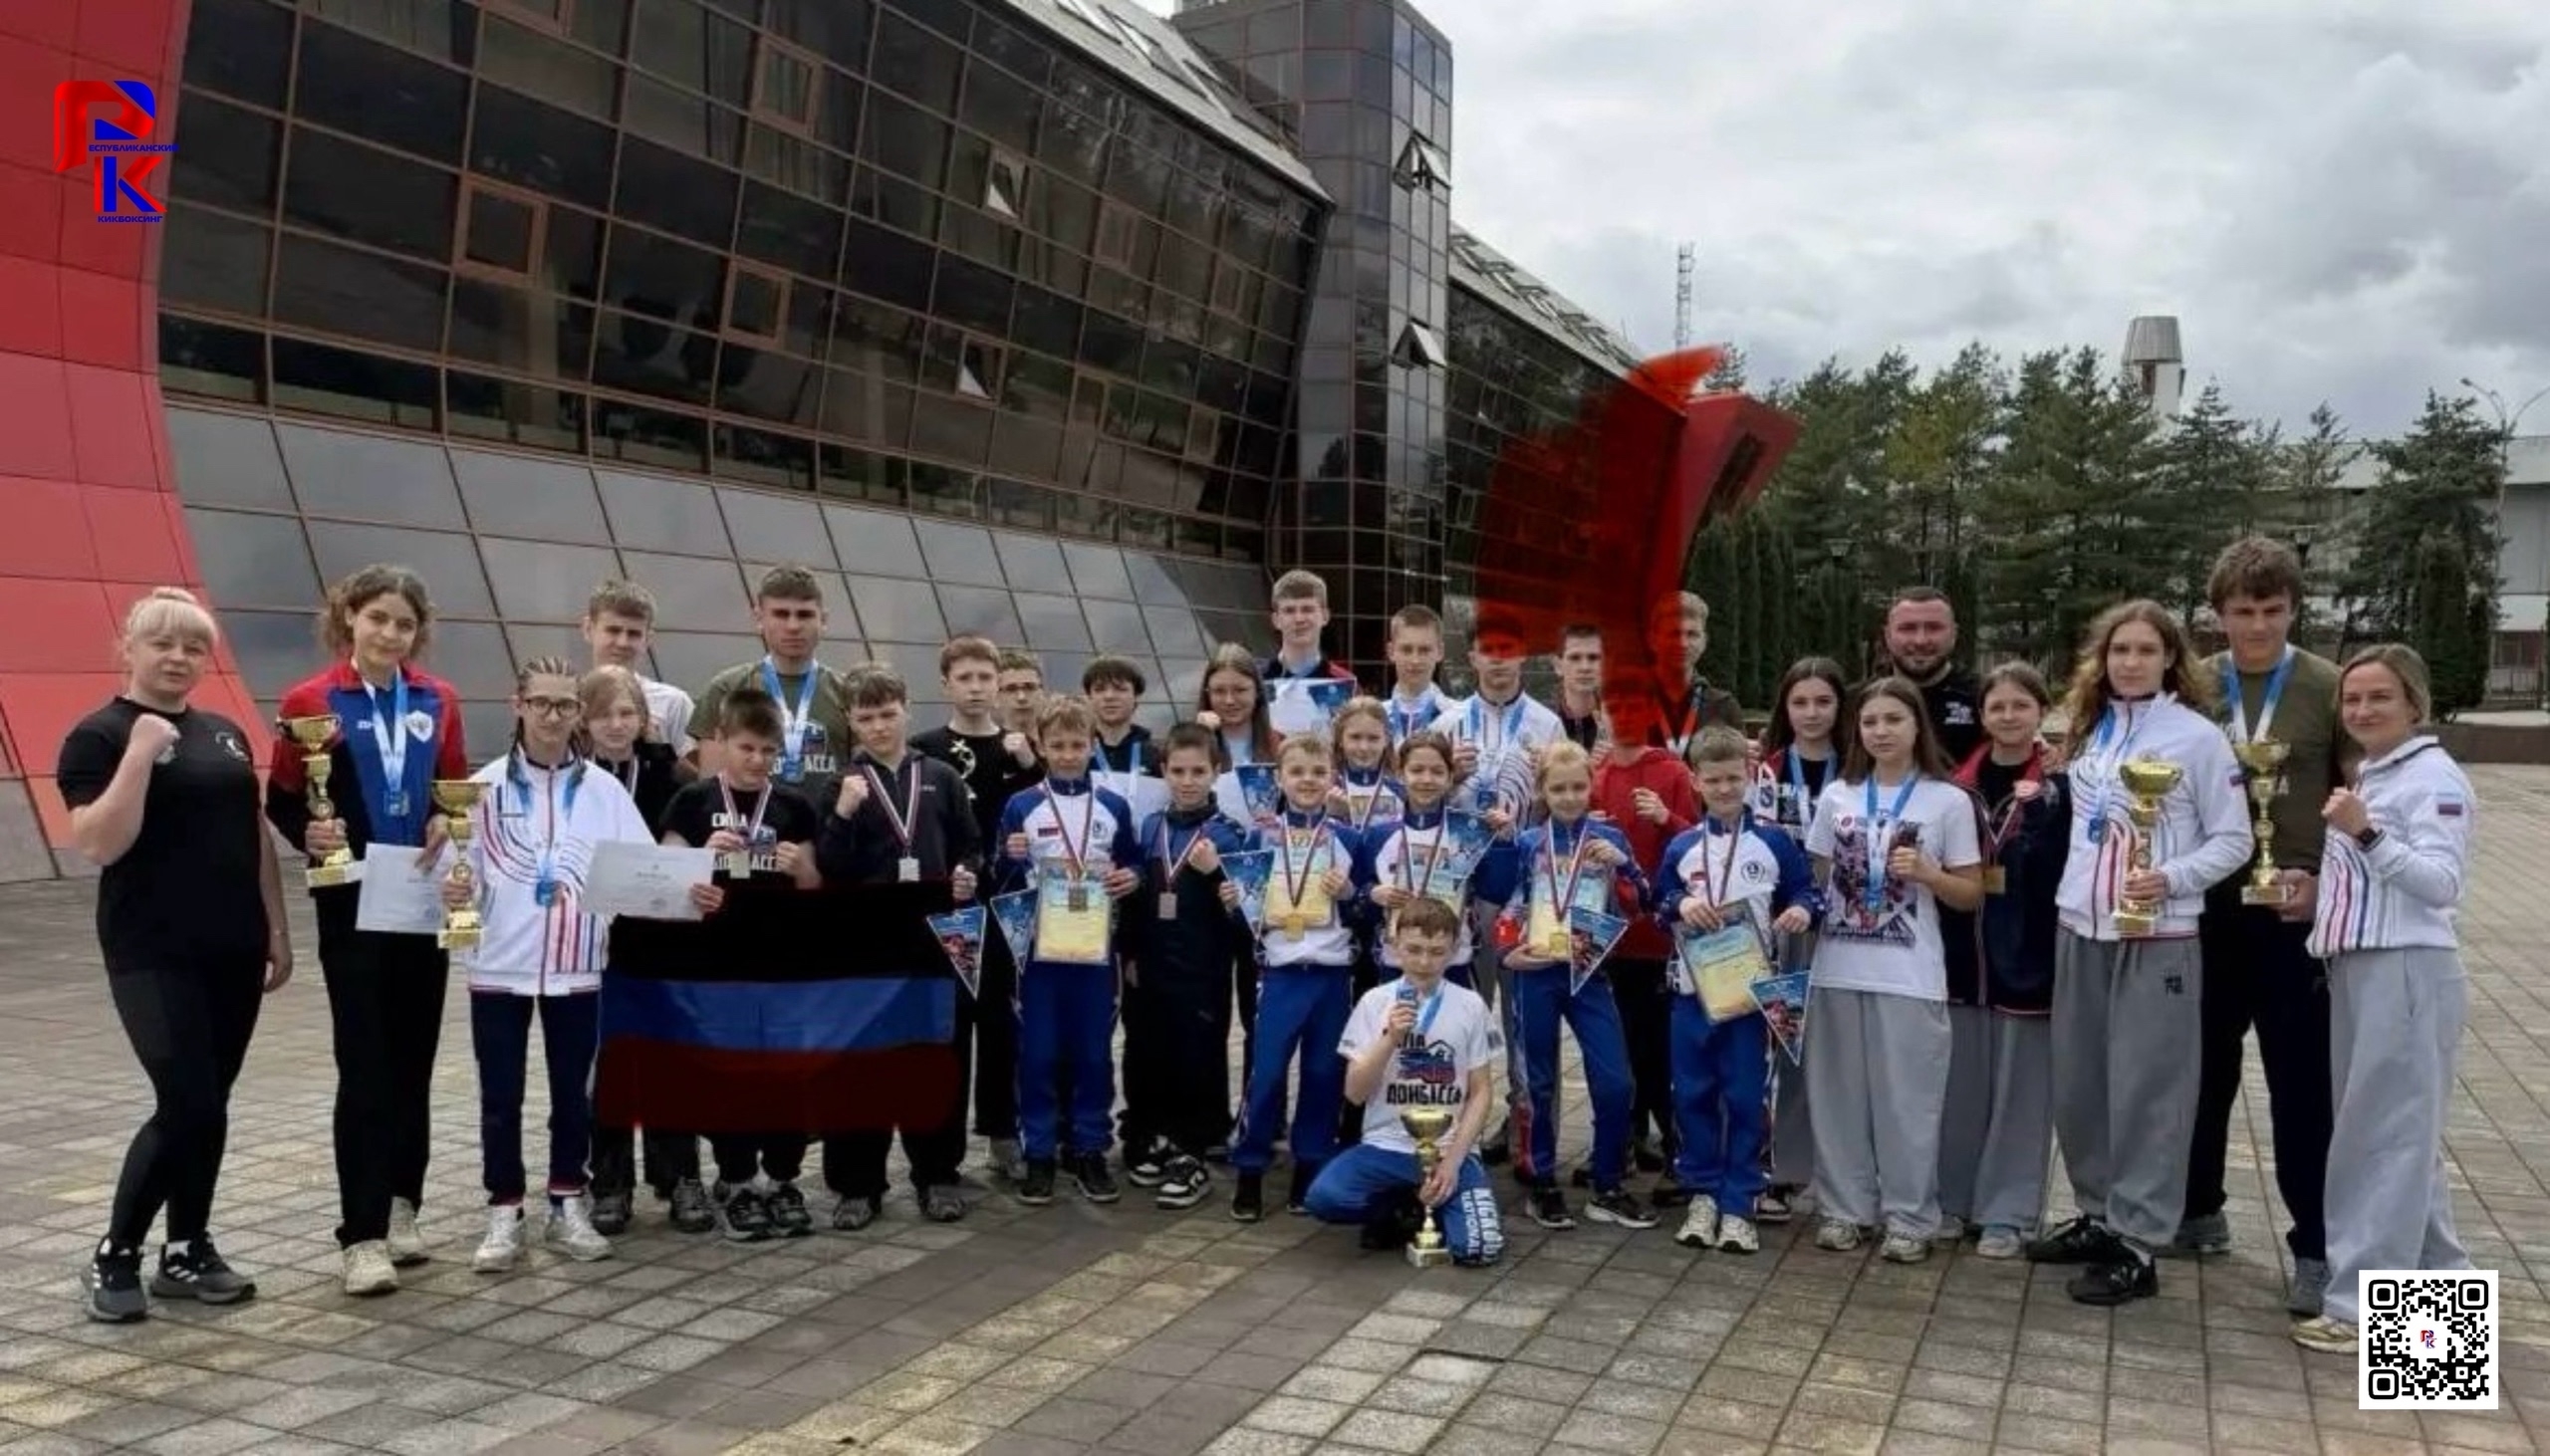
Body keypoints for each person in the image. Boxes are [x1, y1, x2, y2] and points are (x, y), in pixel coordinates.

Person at [62, 589, 291, 1322]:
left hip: (234, 945)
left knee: (210, 1104)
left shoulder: (225, 734)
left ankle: (187, 1248)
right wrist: (139, 753)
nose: (178, 658)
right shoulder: (98, 735)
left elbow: (253, 835)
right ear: (128, 648)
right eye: (162, 643)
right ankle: (115, 1253)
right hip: (152, 951)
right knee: (186, 1100)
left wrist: (277, 928)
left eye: (194, 647)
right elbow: (99, 842)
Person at [2029, 601, 2251, 1306]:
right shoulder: (2092, 727)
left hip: (2158, 936)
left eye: (2146, 651)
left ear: (2171, 660)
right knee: (2082, 1087)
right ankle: (2100, 1215)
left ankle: (2139, 1243)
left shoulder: (2197, 738)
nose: (2130, 662)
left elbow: (2236, 839)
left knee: (2148, 1092)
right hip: (2082, 927)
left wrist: (2173, 878)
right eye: (2119, 650)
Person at [268, 564, 468, 1296]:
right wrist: (310, 833)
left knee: (414, 1059)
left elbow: (450, 791)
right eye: (378, 617)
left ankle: (403, 1204)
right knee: (364, 1064)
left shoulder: (438, 699)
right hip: (350, 902)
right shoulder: (311, 701)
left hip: (417, 898)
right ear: (349, 616)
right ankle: (360, 1236)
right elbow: (284, 798)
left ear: (419, 633)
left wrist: (445, 820)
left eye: (404, 624)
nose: (390, 633)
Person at [2292, 646, 2477, 1355]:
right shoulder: (2376, 772)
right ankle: (2439, 1342)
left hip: (2405, 970)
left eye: (2380, 697)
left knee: (2383, 1144)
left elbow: (2441, 883)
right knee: (2404, 1146)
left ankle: (2358, 1310)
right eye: (2352, 699)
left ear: (2414, 704)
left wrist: (2365, 833)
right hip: (2362, 969)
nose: (2363, 710)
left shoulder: (2431, 777)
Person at [446, 657, 652, 1275]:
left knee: (573, 1095)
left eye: (565, 705)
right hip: (498, 964)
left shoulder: (604, 791)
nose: (553, 716)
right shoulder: (480, 789)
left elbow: (641, 868)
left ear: (578, 713)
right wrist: (453, 890)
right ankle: (504, 1210)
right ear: (518, 705)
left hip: (578, 964)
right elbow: (456, 875)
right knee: (499, 1096)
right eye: (542, 703)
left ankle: (567, 1202)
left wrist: (678, 890)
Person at [2183, 538, 2345, 1318]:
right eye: (2242, 611)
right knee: (2201, 1068)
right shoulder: (2193, 686)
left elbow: (2360, 797)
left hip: (2294, 910)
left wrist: (2325, 885)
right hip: (2210, 903)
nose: (2257, 627)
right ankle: (2196, 1210)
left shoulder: (2330, 687)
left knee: (2302, 1083)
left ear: (2294, 609)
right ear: (2218, 614)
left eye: (2272, 611)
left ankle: (2318, 1246)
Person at [1802, 677, 1985, 1263]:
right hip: (1837, 969)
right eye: (1870, 721)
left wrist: (1930, 874)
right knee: (1838, 1098)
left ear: (1916, 727)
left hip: (1910, 975)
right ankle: (1844, 1209)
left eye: (1893, 720)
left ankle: (1910, 1216)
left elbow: (1971, 895)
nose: (1881, 731)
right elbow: (1815, 879)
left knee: (1909, 1103)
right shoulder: (1838, 796)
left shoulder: (1948, 801)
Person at [657, 689, 826, 1240]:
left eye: (768, 751)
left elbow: (814, 886)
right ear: (722, 741)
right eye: (747, 748)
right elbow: (665, 884)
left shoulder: (794, 805)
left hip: (782, 965)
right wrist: (700, 859)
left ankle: (781, 1178)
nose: (757, 760)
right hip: (716, 966)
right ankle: (736, 1181)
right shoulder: (692, 800)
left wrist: (801, 870)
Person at [817, 666, 982, 1229]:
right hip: (865, 949)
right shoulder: (841, 784)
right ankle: (857, 1185)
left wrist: (966, 874)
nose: (879, 727)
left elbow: (971, 846)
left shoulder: (941, 776)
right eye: (866, 718)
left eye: (888, 714)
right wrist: (842, 814)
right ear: (850, 721)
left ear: (907, 710)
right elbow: (831, 867)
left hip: (934, 945)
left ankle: (937, 1175)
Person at [1657, 726, 1816, 1254]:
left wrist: (1800, 910)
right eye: (1713, 780)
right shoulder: (1682, 845)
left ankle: (1740, 1200)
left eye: (1732, 778)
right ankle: (1703, 1193)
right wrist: (1680, 904)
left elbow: (1806, 891)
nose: (1724, 789)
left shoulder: (1772, 842)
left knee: (1747, 1097)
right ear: (1695, 782)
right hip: (1692, 994)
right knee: (1692, 1094)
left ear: (1748, 776)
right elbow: (1659, 901)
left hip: (1751, 998)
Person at [1496, 741, 1657, 1231]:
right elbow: (1511, 904)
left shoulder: (1608, 838)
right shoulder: (1529, 842)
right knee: (1537, 1081)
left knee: (1615, 1081)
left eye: (1578, 787)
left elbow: (1642, 902)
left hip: (1590, 972)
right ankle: (1541, 1180)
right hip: (1537, 973)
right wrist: (1507, 951)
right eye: (1558, 788)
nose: (1569, 797)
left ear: (1591, 787)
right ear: (1543, 792)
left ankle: (1607, 1184)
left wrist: (1622, 865)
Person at [1940, 664, 2069, 1259]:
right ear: (1982, 715)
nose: (2009, 716)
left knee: (2023, 1093)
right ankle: (1951, 1199)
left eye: (2021, 705)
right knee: (1960, 1088)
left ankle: (2009, 1213)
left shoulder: (2064, 785)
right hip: (1963, 956)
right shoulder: (1955, 786)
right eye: (1997, 707)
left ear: (2041, 711)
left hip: (2030, 956)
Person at [995, 696, 1144, 1205]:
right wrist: (1008, 857)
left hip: (1095, 951)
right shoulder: (1021, 805)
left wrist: (1132, 877)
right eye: (1056, 745)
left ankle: (1090, 1149)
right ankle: (1038, 1152)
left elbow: (1133, 862)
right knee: (1037, 1055)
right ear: (1040, 745)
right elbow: (1002, 880)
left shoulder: (1113, 805)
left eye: (1077, 744)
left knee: (1093, 1055)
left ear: (1092, 744)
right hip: (1039, 953)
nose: (1067, 754)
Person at [1302, 897, 1507, 1266]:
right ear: (1394, 946)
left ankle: (1439, 1201)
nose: (1424, 962)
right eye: (1414, 950)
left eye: (1436, 952)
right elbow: (1354, 1093)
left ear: (1454, 951)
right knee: (1324, 1198)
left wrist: (1453, 1162)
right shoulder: (1373, 1002)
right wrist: (1389, 1039)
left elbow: (1481, 1092)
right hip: (1387, 1147)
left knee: (1479, 1249)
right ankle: (1404, 1206)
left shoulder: (1471, 1005)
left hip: (1448, 1148)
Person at [579, 666, 708, 1236]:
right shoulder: (572, 779)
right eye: (603, 714)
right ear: (584, 721)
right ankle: (610, 1181)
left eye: (626, 713)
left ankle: (679, 1176)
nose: (615, 724)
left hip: (661, 937)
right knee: (605, 1060)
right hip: (594, 936)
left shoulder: (672, 776)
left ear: (644, 719)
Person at [912, 636, 1043, 1182]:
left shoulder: (1020, 751)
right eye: (964, 678)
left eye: (985, 678)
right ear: (946, 684)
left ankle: (1002, 1131)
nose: (975, 688)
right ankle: (944, 1153)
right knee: (950, 1028)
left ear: (998, 684)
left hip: (1007, 904)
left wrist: (1030, 764)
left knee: (1001, 1023)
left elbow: (1052, 817)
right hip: (948, 904)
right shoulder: (923, 750)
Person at [1230, 732, 1372, 1221]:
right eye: (1297, 772)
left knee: (1322, 1075)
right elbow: (1245, 915)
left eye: (1318, 772)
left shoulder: (1349, 839)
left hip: (1331, 977)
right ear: (1280, 779)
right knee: (1267, 1073)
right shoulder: (1260, 837)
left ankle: (1308, 1166)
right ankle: (1250, 1166)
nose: (1308, 781)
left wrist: (1350, 893)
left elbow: (1365, 910)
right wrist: (1237, 903)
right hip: (1281, 975)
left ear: (1333, 778)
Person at [1124, 723, 1250, 1210]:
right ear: (1164, 771)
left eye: (1199, 771)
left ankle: (1193, 1152)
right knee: (1151, 1054)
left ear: (1216, 771)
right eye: (1178, 771)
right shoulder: (1150, 826)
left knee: (1198, 1058)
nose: (1188, 781)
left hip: (1203, 970)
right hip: (1152, 964)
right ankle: (1159, 1136)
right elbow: (1136, 900)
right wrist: (1130, 954)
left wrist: (1216, 871)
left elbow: (1245, 912)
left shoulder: (1227, 834)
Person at [1747, 656, 1850, 1222]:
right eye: (1800, 702)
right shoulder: (1763, 771)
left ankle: (1839, 1169)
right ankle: (1779, 1168)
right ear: (1784, 709)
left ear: (1841, 707)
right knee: (1780, 1047)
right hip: (1779, 929)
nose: (1812, 713)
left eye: (1824, 702)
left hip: (1849, 932)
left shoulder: (1858, 771)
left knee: (1832, 1051)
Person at [1589, 699, 1701, 1190]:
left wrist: (1666, 817)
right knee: (1623, 1051)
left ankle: (1680, 1152)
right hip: (1609, 938)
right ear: (1599, 715)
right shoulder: (1595, 776)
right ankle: (1629, 1144)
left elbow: (1702, 844)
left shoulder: (1673, 772)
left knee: (1660, 1053)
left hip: (1659, 938)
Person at [688, 566, 851, 796]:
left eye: (804, 615)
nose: (793, 626)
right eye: (781, 614)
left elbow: (866, 778)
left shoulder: (848, 692)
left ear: (823, 620)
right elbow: (711, 789)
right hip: (749, 819)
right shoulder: (726, 689)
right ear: (759, 618)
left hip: (830, 819)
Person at [582, 580, 696, 756]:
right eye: (613, 631)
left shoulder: (673, 703)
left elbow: (695, 771)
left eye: (633, 634)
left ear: (648, 639)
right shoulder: (566, 699)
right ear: (588, 629)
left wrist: (657, 746)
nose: (622, 642)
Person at [1874, 588, 1982, 763]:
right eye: (1907, 628)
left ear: (1954, 634)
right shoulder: (1856, 703)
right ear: (1887, 636)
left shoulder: (1983, 699)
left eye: (1934, 628)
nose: (1921, 640)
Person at [1643, 592, 1744, 755]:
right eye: (1674, 634)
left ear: (1704, 642)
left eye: (1692, 634)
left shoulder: (1723, 706)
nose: (1683, 644)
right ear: (1653, 640)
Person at [1262, 569, 1362, 736]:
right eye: (1289, 611)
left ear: (1325, 616)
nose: (1299, 619)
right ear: (1276, 620)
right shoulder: (1257, 680)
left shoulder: (1345, 684)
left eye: (1307, 609)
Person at [1085, 654, 1161, 784]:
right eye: (1099, 690)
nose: (1109, 696)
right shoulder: (1076, 751)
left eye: (1120, 689)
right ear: (1089, 697)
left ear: (1136, 696)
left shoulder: (1155, 755)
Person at [1383, 604, 1454, 743]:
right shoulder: (1376, 717)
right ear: (1391, 652)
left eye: (1424, 650)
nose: (1415, 660)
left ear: (1440, 652)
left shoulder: (1458, 716)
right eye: (1406, 650)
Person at [1555, 623, 1610, 753]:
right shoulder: (1542, 722)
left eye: (1593, 658)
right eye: (1574, 658)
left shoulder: (1622, 721)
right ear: (1558, 666)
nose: (1585, 667)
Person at [996, 648, 1046, 740]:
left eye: (1029, 687)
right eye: (1011, 689)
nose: (1021, 697)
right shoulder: (983, 746)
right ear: (996, 697)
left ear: (1042, 693)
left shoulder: (1065, 745)